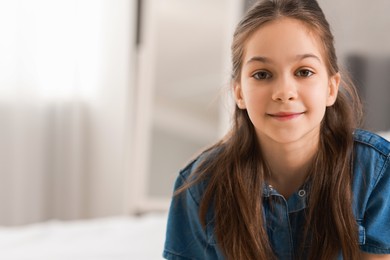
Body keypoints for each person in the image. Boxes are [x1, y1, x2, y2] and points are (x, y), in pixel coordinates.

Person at [163, 0, 390, 259]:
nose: (284, 93)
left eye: (304, 72)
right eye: (262, 74)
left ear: (331, 87)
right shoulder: (198, 186)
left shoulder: (377, 172)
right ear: (239, 93)